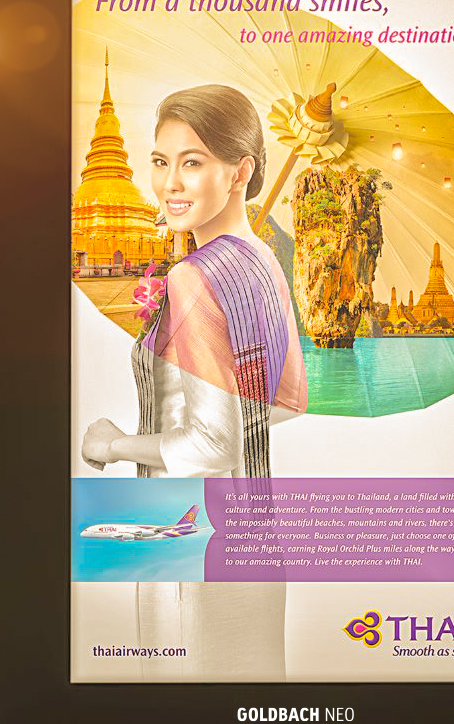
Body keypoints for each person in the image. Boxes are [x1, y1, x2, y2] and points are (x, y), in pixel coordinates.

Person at [81, 84, 307, 478]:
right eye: (160, 161)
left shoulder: (192, 276)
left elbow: (213, 447)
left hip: (182, 511)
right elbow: (290, 400)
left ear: (241, 172)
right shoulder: (265, 261)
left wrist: (111, 444)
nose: (169, 184)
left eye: (192, 163)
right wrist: (232, 417)